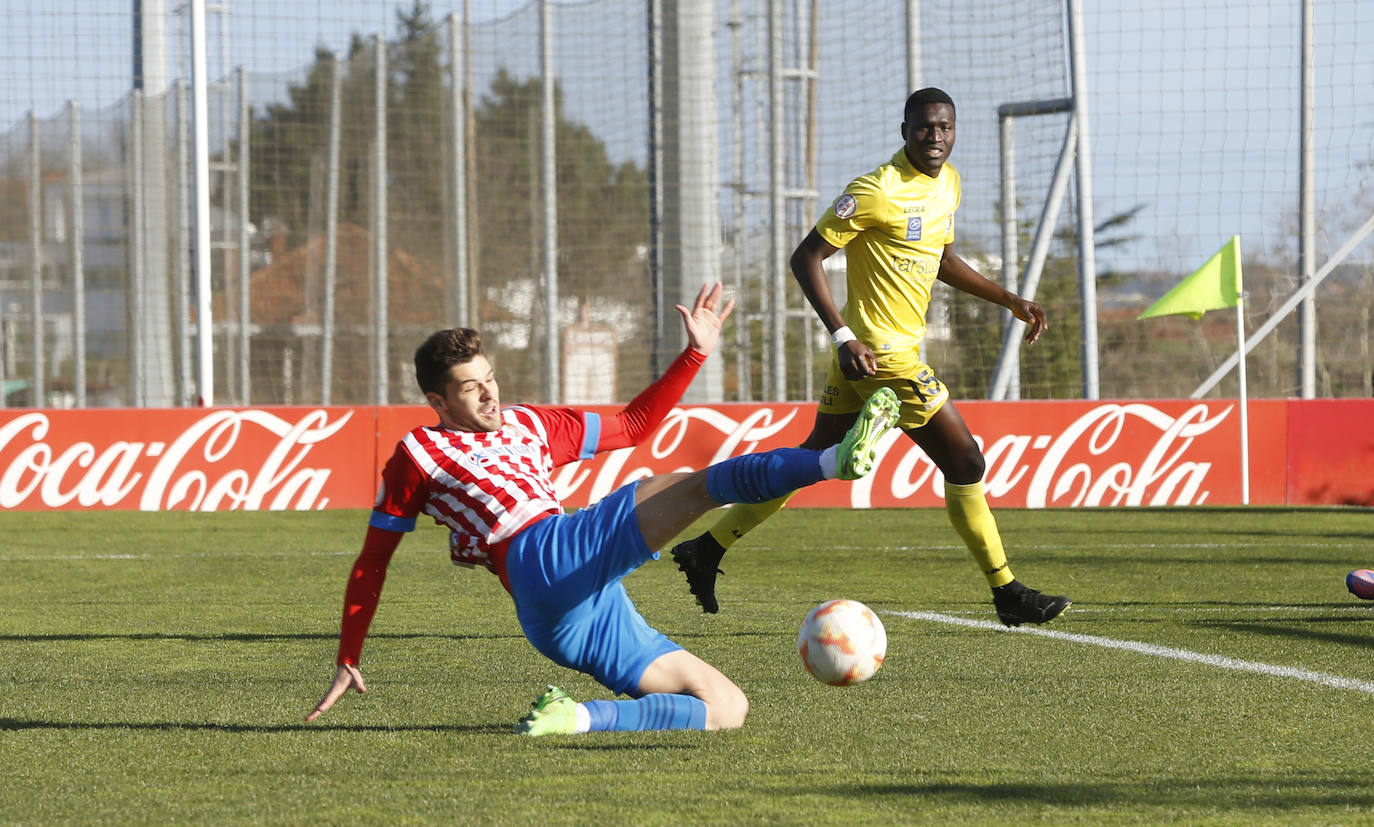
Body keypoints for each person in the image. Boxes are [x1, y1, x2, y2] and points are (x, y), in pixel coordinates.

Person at [305, 282, 901, 735]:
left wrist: (693, 356)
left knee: (726, 707)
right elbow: (372, 560)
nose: (489, 393)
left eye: (488, 378)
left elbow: (634, 425)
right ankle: (831, 463)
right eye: (469, 387)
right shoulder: (418, 452)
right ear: (437, 400)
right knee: (695, 487)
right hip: (541, 553)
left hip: (563, 621)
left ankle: (575, 719)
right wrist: (348, 654)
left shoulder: (530, 423)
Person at [670, 88, 1070, 628]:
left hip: (866, 355)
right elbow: (805, 256)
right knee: (967, 462)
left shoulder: (948, 184)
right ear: (904, 129)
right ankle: (1007, 591)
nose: (936, 138)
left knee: (812, 458)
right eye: (925, 128)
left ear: (955, 131)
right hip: (881, 357)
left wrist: (1009, 299)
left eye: (945, 128)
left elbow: (942, 258)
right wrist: (841, 336)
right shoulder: (876, 190)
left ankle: (707, 549)